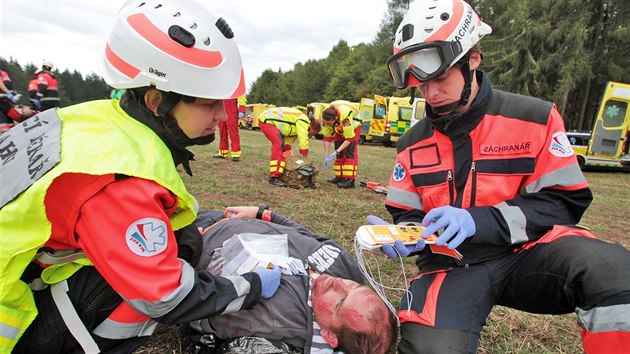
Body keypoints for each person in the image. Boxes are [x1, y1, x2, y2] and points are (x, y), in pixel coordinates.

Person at [0, 2, 281, 353]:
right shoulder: (120, 176)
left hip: (24, 270)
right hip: (13, 317)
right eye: (209, 104)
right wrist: (251, 286)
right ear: (156, 100)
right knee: (175, 255)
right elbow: (163, 295)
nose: (223, 115)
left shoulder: (99, 120)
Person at [381, 0, 630, 353]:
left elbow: (563, 200)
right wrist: (404, 233)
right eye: (420, 85)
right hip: (447, 265)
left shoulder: (535, 118)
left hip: (526, 254)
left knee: (613, 271)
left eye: (439, 78)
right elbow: (406, 211)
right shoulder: (411, 143)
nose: (430, 94)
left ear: (473, 60)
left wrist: (478, 221)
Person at [184, 206, 398, 354]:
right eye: (355, 287)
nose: (339, 282)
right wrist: (263, 213)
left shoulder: (278, 322)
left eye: (340, 301)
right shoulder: (347, 268)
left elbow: (200, 305)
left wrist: (187, 251)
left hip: (196, 236)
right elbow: (307, 235)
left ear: (329, 336)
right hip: (235, 217)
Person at [258, 106, 321, 187]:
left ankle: (281, 171)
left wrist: (292, 162)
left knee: (283, 147)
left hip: (268, 119)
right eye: (314, 133)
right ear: (313, 128)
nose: (312, 135)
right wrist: (305, 156)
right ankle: (274, 177)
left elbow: (288, 144)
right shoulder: (304, 121)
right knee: (278, 144)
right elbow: (303, 140)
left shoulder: (297, 126)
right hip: (266, 119)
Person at [321, 100, 361, 189]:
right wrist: (326, 155)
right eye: (325, 123)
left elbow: (349, 138)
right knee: (339, 153)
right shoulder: (326, 114)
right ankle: (339, 177)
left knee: (349, 152)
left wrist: (336, 151)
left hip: (354, 127)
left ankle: (350, 180)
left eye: (328, 123)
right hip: (338, 128)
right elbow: (327, 137)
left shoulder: (345, 116)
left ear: (335, 119)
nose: (327, 124)